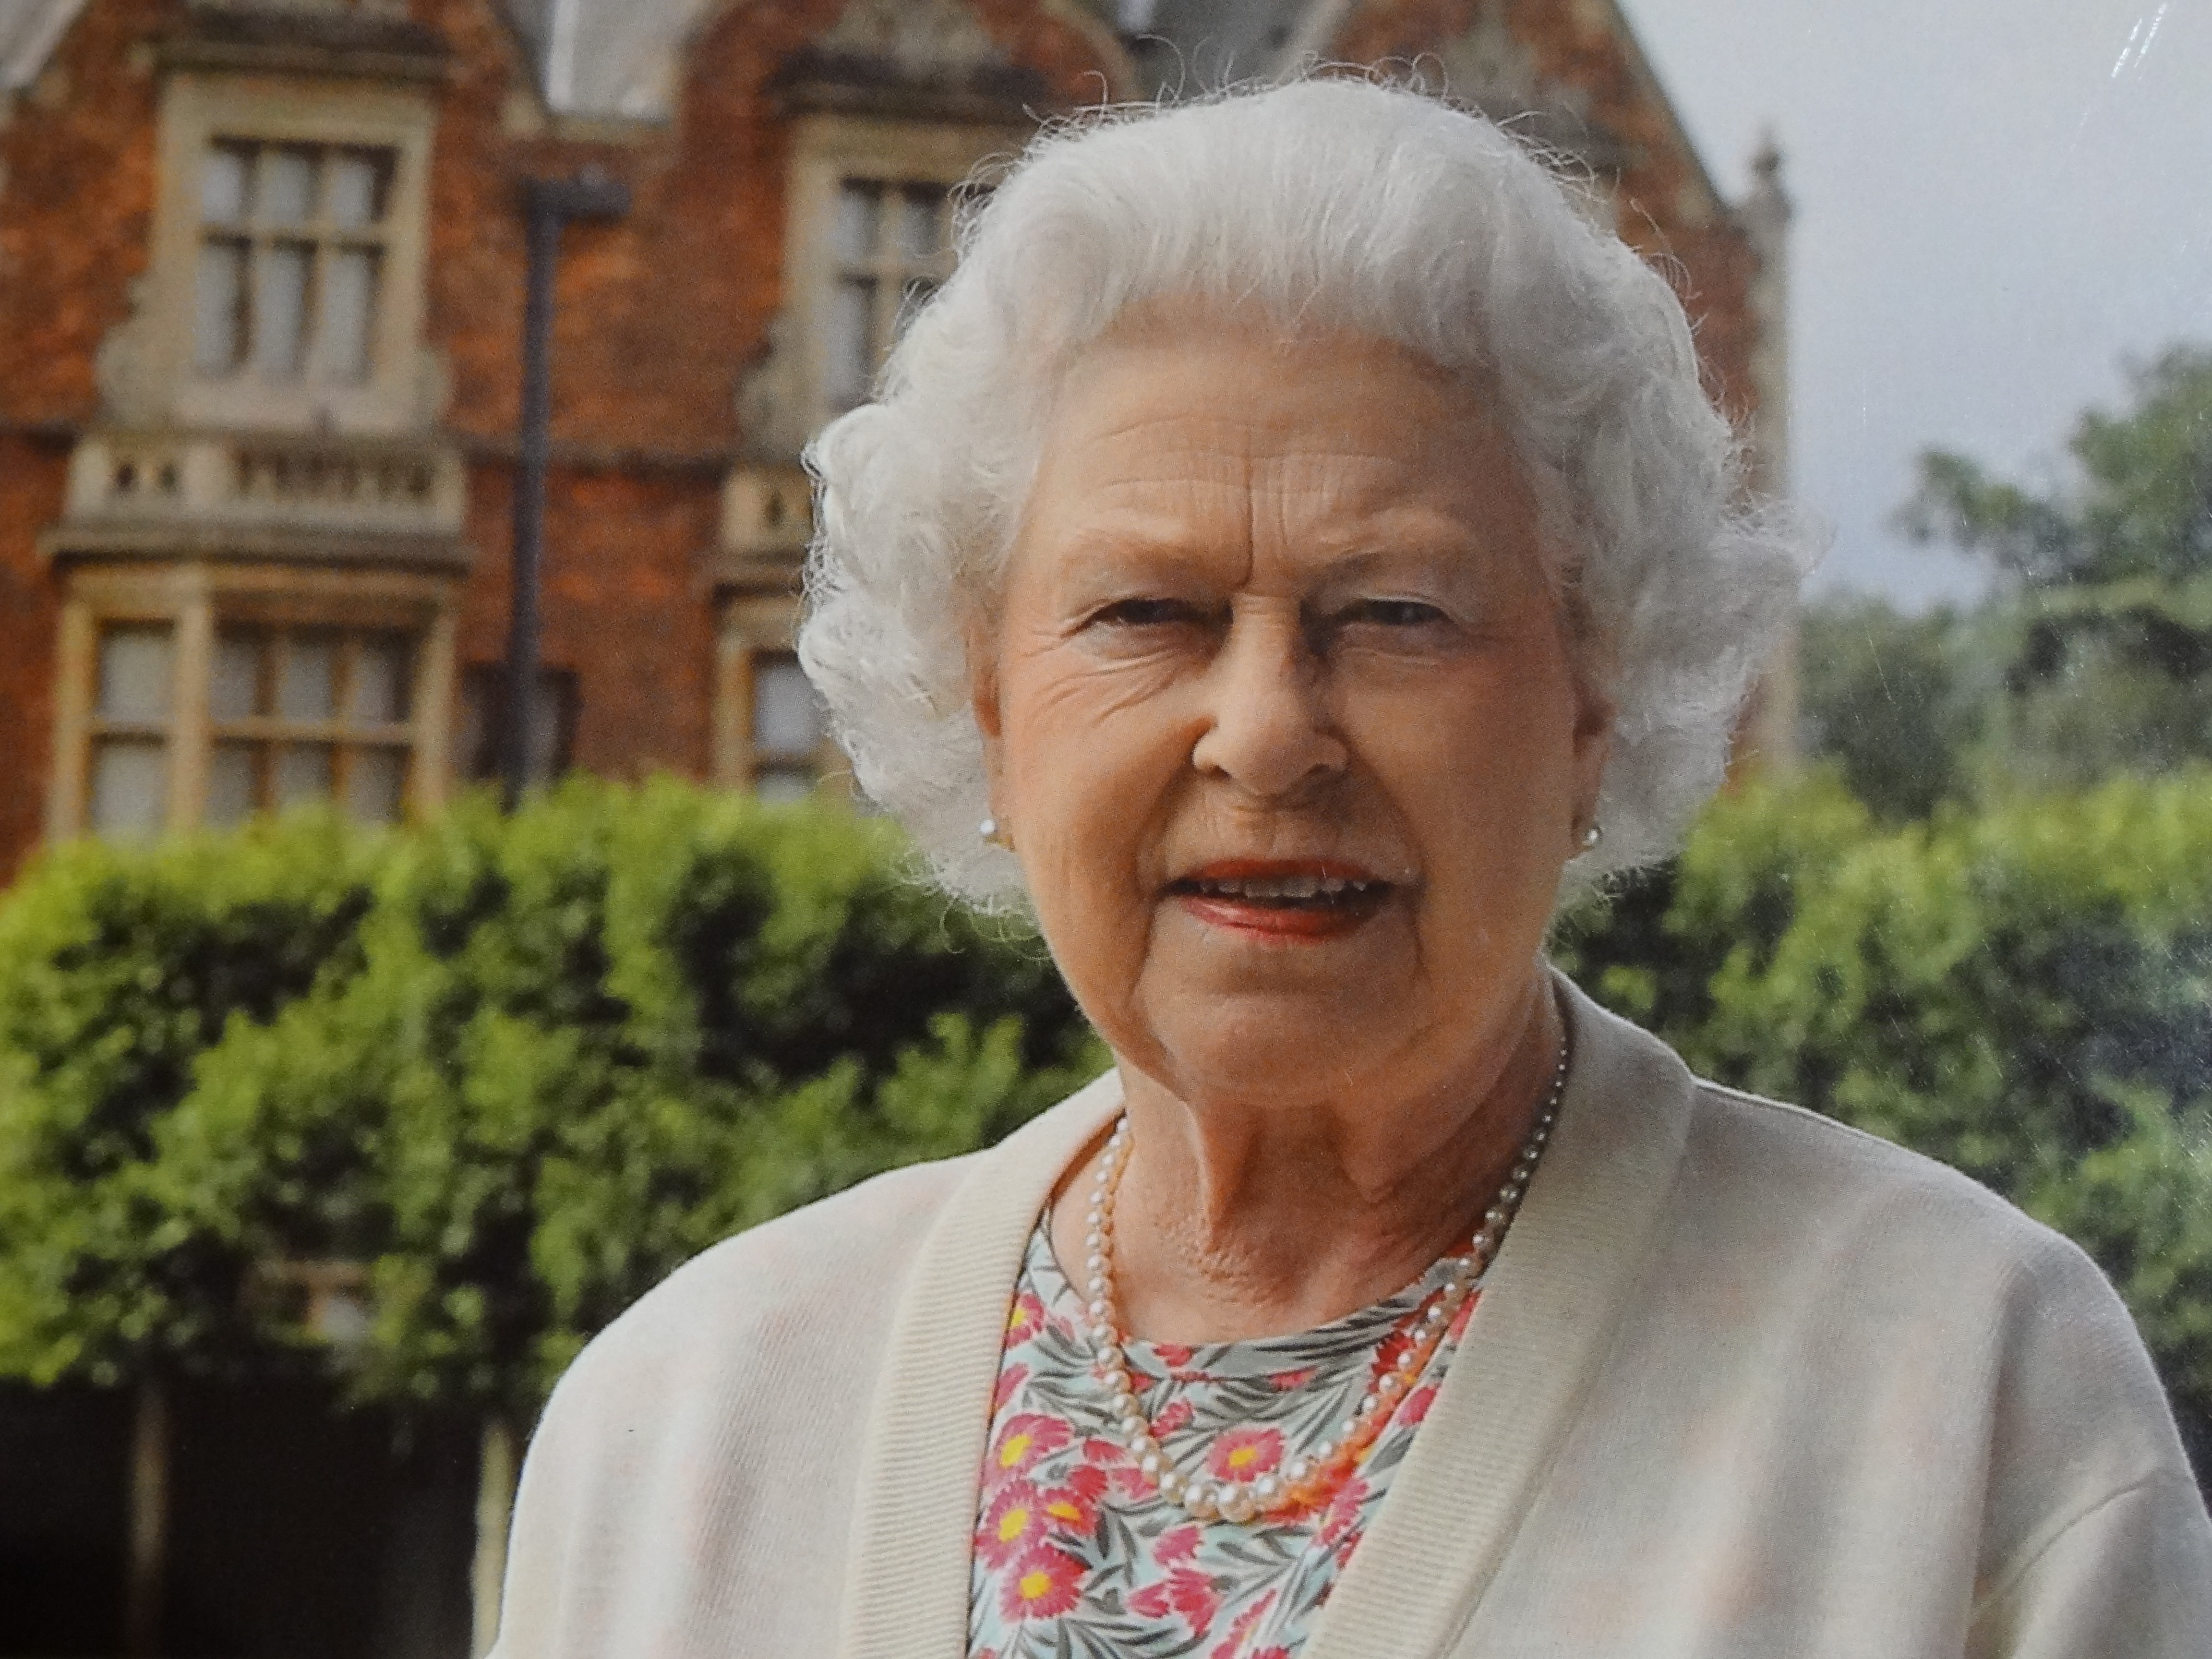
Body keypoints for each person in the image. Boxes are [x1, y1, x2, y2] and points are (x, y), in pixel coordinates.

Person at [489, 79, 2212, 1657]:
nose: (1265, 733)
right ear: (991, 701)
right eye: (1145, 614)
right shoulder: (693, 1416)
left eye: (1394, 613)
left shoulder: (1969, 1389)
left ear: (1593, 688)